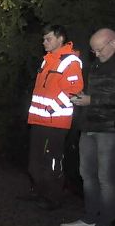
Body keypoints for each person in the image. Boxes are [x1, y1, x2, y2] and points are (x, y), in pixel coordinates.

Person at [62, 27, 115, 226]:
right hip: (90, 126)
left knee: (106, 178)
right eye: (93, 51)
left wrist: (91, 101)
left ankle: (105, 223)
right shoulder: (96, 64)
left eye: (99, 50)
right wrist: (84, 97)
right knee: (87, 174)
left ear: (113, 43)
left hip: (109, 130)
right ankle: (90, 217)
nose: (96, 54)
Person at [25, 24, 84, 210]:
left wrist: (50, 109)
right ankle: (41, 191)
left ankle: (53, 197)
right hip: (38, 120)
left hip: (55, 122)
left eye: (48, 39)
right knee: (35, 162)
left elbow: (74, 91)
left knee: (51, 161)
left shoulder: (70, 61)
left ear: (60, 39)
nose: (44, 42)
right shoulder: (47, 60)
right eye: (43, 39)